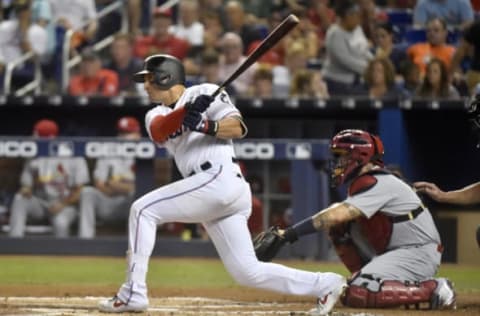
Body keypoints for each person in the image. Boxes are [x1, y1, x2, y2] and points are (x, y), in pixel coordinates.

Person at [98, 54, 347, 315]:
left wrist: (207, 124)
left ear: (165, 76)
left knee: (142, 210)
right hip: (211, 190)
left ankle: (133, 293)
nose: (145, 85)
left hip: (221, 179)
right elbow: (161, 130)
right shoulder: (154, 114)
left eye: (149, 79)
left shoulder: (206, 92)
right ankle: (326, 284)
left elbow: (238, 128)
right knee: (246, 272)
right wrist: (187, 112)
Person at [253, 129, 456, 310]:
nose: (336, 162)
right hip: (399, 251)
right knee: (339, 228)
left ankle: (435, 288)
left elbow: (337, 213)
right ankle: (367, 277)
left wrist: (288, 234)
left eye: (341, 156)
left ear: (359, 156)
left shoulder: (378, 181)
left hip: (417, 251)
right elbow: (338, 217)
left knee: (359, 291)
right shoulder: (366, 182)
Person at [8, 119, 90, 238]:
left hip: (65, 205)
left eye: (37, 136)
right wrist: (26, 189)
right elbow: (27, 185)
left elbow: (79, 190)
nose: (34, 139)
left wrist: (62, 204)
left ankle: (61, 254)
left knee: (60, 223)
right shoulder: (33, 155)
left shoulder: (74, 156)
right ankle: (14, 243)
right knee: (19, 199)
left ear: (47, 138)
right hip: (41, 204)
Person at [78, 116, 140, 239]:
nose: (124, 137)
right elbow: (99, 184)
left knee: (136, 195)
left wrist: (113, 184)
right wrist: (122, 187)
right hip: (108, 202)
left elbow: (140, 188)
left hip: (130, 204)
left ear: (137, 134)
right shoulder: (108, 152)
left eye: (128, 133)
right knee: (87, 192)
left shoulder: (144, 151)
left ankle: (135, 243)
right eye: (121, 133)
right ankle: (85, 240)